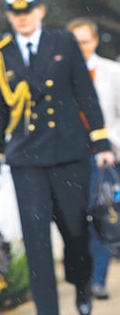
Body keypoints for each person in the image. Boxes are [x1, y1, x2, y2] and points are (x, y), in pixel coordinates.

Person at [0, 0, 116, 315]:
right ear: (9, 16)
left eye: (28, 11)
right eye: (16, 13)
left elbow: (85, 93)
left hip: (69, 154)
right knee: (36, 239)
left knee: (75, 232)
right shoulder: (2, 54)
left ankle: (82, 284)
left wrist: (101, 142)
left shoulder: (63, 41)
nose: (22, 19)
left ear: (41, 11)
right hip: (26, 159)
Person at [67, 17, 120, 300]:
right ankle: (82, 277)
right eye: (75, 42)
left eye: (85, 42)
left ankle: (97, 279)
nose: (80, 47)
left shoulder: (113, 72)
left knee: (103, 217)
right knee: (75, 220)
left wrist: (107, 146)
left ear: (95, 41)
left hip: (104, 160)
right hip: (69, 160)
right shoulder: (59, 74)